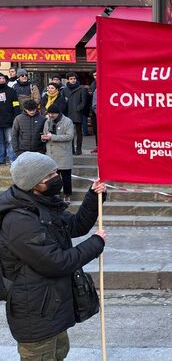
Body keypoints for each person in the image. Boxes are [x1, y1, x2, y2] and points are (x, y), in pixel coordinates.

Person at [0, 151, 107, 361]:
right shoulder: (19, 221)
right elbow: (56, 262)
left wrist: (94, 197)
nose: (57, 177)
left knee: (59, 353)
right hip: (36, 312)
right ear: (34, 183)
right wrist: (96, 243)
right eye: (50, 176)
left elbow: (75, 226)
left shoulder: (41, 203)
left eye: (56, 172)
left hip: (52, 306)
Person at [42, 105, 74, 204]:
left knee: (66, 178)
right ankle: (54, 194)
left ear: (58, 113)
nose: (50, 115)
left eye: (53, 114)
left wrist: (53, 137)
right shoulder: (47, 121)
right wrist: (44, 137)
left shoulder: (67, 121)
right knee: (53, 178)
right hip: (51, 155)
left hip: (63, 154)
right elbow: (45, 133)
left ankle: (67, 195)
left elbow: (69, 136)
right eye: (49, 113)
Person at [63, 72, 87, 155]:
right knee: (70, 132)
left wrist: (78, 108)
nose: (73, 80)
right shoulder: (64, 89)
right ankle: (71, 149)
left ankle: (79, 149)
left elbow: (84, 102)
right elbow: (63, 101)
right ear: (68, 80)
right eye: (71, 79)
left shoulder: (82, 89)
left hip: (78, 113)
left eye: (74, 79)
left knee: (79, 132)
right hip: (68, 113)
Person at [0, 73, 20, 165]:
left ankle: (12, 159)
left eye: (3, 78)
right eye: (0, 78)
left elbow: (16, 105)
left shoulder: (11, 91)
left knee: (10, 141)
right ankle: (1, 159)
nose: (1, 80)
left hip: (9, 120)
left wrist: (15, 117)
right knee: (0, 142)